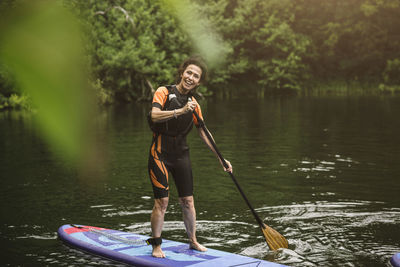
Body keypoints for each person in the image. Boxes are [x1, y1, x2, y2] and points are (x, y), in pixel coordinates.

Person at [147, 56, 233, 258]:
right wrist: (180, 110)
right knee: (162, 202)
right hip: (159, 153)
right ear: (182, 73)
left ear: (198, 81)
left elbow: (203, 131)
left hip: (181, 155)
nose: (191, 78)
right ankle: (156, 245)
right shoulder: (163, 92)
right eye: (189, 73)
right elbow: (154, 115)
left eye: (196, 76)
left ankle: (193, 241)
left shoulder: (194, 104)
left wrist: (222, 159)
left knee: (188, 201)